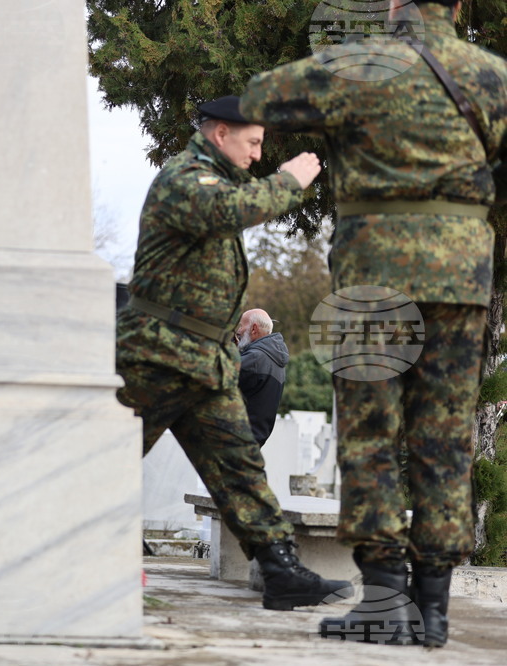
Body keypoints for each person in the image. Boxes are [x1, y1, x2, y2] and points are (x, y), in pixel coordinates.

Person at [241, 0, 506, 647]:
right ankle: (436, 608)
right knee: (445, 437)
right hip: (460, 281)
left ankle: (386, 600)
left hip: (372, 280)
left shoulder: (357, 65)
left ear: (394, 6)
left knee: (371, 439)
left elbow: (259, 96)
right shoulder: (491, 75)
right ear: (460, 7)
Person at [116, 95, 350, 611]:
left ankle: (281, 570)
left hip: (205, 361)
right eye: (253, 141)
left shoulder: (215, 180)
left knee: (241, 468)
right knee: (103, 459)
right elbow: (229, 210)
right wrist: (290, 180)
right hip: (158, 354)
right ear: (220, 133)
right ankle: (20, 547)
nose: (258, 154)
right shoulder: (184, 178)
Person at [235, 309, 289, 447]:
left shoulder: (255, 358)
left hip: (239, 437)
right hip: (254, 439)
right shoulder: (273, 358)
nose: (238, 331)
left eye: (241, 325)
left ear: (254, 329)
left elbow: (221, 375)